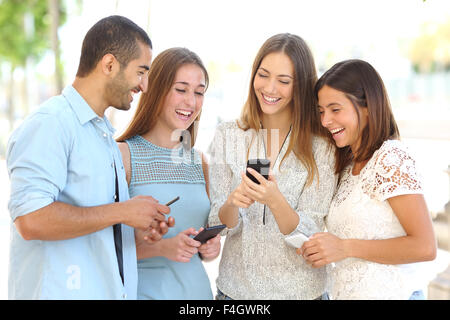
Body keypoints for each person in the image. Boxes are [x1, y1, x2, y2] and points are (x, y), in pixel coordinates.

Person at [6, 15, 173, 300]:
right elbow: (30, 219)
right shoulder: (51, 123)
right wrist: (123, 211)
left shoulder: (102, 134)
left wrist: (134, 229)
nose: (144, 86)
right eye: (141, 72)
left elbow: (93, 223)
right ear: (109, 65)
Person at [207, 33, 337, 300]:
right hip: (235, 293)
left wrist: (275, 201)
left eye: (284, 81)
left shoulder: (322, 146)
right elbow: (217, 225)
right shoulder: (228, 135)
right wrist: (233, 203)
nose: (269, 88)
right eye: (263, 75)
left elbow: (311, 232)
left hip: (303, 293)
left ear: (300, 87)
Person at [300, 59, 437, 300]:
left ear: (367, 106)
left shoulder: (391, 158)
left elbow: (425, 247)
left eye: (335, 109)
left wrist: (344, 247)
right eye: (321, 111)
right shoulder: (348, 165)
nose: (325, 121)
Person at [116, 47, 221, 300]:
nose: (191, 102)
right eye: (181, 89)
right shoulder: (122, 155)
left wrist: (210, 249)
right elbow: (101, 246)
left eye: (199, 92)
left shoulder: (200, 162)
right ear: (156, 88)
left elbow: (200, 246)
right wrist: (163, 247)